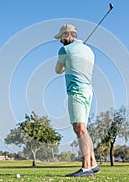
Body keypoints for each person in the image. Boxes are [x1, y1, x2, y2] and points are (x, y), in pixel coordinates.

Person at [54, 24, 100, 177]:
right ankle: (93, 164)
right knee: (84, 129)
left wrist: (66, 63)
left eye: (61, 37)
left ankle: (86, 167)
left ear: (68, 35)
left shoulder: (64, 50)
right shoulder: (89, 51)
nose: (60, 41)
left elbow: (58, 70)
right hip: (89, 92)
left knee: (79, 129)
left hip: (76, 92)